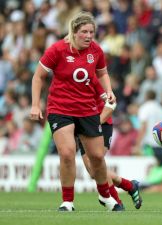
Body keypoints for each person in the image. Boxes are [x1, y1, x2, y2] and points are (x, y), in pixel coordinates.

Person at [30, 12, 118, 211]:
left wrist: (109, 91)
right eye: (84, 32)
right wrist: (35, 104)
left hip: (87, 109)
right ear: (74, 32)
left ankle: (106, 196)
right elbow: (38, 77)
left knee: (96, 156)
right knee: (67, 153)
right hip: (60, 108)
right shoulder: (57, 50)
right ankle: (68, 201)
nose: (88, 36)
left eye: (92, 32)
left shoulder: (96, 50)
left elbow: (102, 73)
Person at [77, 77, 142, 210]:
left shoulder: (93, 78)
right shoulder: (72, 79)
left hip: (102, 123)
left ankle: (117, 202)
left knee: (97, 163)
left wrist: (94, 125)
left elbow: (111, 103)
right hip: (83, 125)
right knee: (93, 171)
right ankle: (130, 186)